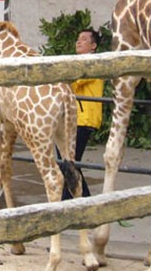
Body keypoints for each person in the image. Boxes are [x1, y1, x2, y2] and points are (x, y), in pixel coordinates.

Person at [62, 28, 105, 199]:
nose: (79, 41)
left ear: (93, 46)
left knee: (69, 163)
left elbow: (74, 81)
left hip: (83, 119)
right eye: (78, 38)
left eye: (84, 39)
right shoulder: (78, 63)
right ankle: (84, 200)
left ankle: (67, 202)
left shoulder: (93, 63)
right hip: (73, 119)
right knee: (68, 164)